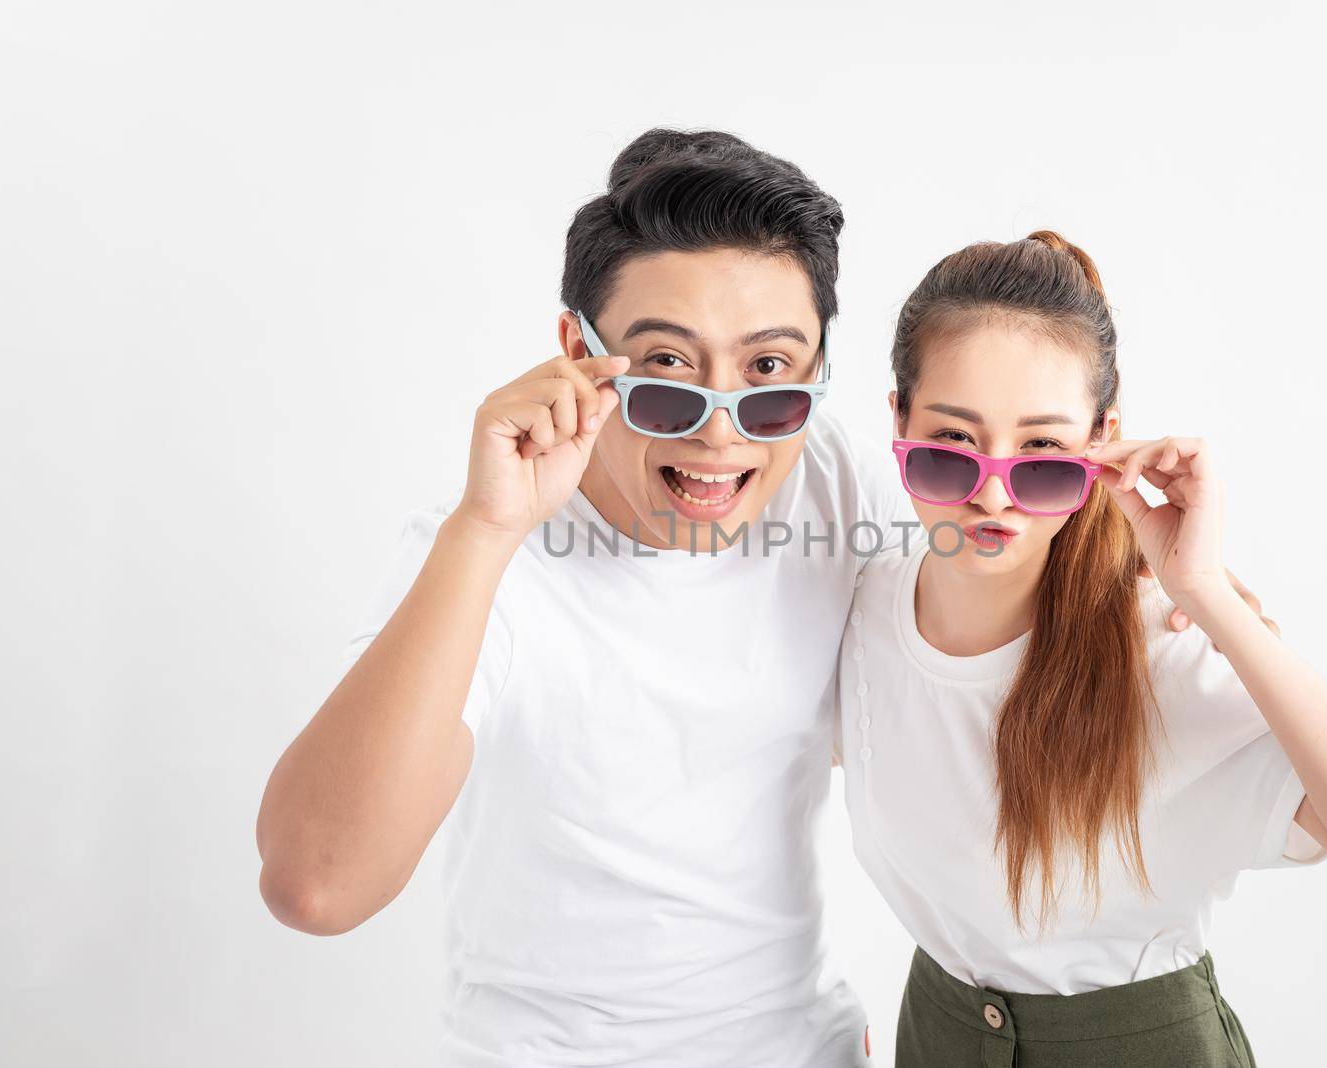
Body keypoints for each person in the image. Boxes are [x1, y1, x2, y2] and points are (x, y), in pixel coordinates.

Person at [254, 128, 1269, 1067]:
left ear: (823, 371)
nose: (720, 432)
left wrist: (1182, 592)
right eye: (663, 370)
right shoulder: (490, 554)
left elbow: (991, 547)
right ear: (575, 353)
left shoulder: (826, 480)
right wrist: (482, 535)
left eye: (770, 373)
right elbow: (319, 884)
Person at [837, 231, 1327, 1067]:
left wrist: (1204, 592)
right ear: (898, 421)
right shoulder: (864, 606)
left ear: (1103, 442)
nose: (992, 492)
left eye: (1044, 455)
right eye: (951, 445)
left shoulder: (1160, 648)